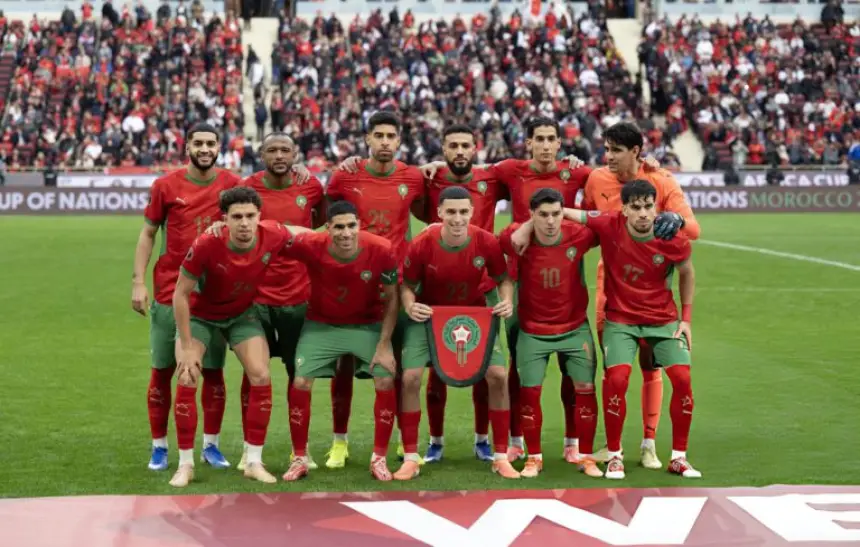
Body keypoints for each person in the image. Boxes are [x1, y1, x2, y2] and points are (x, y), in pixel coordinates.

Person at [170, 186, 309, 487]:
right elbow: (180, 294)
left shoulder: (271, 233)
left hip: (241, 315)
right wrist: (186, 345)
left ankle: (254, 462)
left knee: (261, 374)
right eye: (237, 217)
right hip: (201, 316)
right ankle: (185, 465)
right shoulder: (207, 243)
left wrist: (335, 235)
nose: (244, 223)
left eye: (250, 216)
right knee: (187, 374)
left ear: (260, 216)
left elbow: (301, 232)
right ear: (225, 219)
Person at [564, 179, 700, 480]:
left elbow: (687, 272)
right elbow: (567, 213)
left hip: (663, 321)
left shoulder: (672, 237)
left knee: (682, 377)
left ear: (656, 206)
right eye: (635, 207)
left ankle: (679, 457)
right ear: (623, 208)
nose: (642, 213)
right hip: (621, 320)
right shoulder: (610, 223)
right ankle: (615, 456)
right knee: (617, 379)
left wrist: (686, 319)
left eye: (648, 206)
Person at [132, 123, 240, 472]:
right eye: (199, 143)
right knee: (163, 371)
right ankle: (159, 447)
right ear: (187, 147)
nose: (205, 149)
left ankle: (211, 444)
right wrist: (138, 281)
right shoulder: (165, 186)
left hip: (212, 297)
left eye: (211, 143)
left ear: (219, 147)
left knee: (213, 371)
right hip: (168, 292)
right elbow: (148, 234)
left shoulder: (231, 185)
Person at [324, 111, 426, 467]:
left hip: (395, 285)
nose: (384, 141)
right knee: (343, 363)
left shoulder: (412, 177)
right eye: (378, 135)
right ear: (367, 139)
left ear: (399, 141)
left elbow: (431, 207)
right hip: (351, 283)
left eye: (390, 136)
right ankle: (340, 442)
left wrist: (438, 163)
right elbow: (325, 217)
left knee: (395, 363)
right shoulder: (344, 175)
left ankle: (400, 439)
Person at [397, 186, 520, 480]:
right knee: (411, 377)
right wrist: (410, 305)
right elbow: (406, 286)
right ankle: (411, 457)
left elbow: (504, 279)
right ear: (439, 213)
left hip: (474, 315)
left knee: (499, 375)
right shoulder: (422, 243)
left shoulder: (486, 242)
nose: (457, 218)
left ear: (471, 213)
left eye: (463, 212)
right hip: (429, 315)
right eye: (450, 212)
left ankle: (501, 457)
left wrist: (506, 301)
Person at [281, 200, 400, 482]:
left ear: (359, 225)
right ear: (327, 228)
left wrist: (384, 345)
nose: (346, 233)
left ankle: (379, 459)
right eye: (339, 227)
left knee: (385, 378)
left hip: (367, 326)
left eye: (351, 226)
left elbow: (393, 298)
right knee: (300, 382)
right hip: (321, 325)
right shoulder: (312, 245)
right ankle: (299, 458)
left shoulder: (381, 249)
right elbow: (277, 233)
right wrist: (228, 225)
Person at [499, 188, 602, 478]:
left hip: (574, 328)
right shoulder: (517, 237)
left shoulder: (578, 235)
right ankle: (534, 458)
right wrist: (527, 227)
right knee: (530, 393)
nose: (551, 221)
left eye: (556, 213)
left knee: (585, 390)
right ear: (531, 215)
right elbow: (499, 243)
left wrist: (569, 212)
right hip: (533, 331)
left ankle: (586, 455)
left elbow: (609, 223)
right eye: (543, 215)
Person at [237, 132, 325, 471]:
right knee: (254, 373)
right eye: (271, 150)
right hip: (255, 296)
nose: (278, 155)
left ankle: (298, 450)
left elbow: (319, 227)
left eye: (285, 150)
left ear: (295, 155)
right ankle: (249, 449)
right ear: (261, 155)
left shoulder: (311, 187)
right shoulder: (247, 189)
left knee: (298, 373)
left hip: (298, 295)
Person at [420, 124, 505, 463]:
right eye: (452, 145)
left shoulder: (493, 178)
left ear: (475, 147)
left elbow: (534, 172)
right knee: (436, 368)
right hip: (437, 286)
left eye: (465, 145)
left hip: (481, 289)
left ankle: (482, 440)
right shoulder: (428, 179)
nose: (459, 151)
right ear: (442, 148)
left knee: (484, 367)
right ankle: (435, 441)